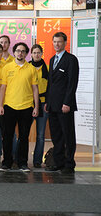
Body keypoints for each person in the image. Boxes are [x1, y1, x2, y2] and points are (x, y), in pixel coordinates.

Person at [0, 42, 39, 172]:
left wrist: (36, 107)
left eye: (23, 51)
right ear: (14, 52)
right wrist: (1, 105)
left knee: (24, 137)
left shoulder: (31, 69)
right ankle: (6, 163)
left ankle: (22, 163)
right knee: (7, 136)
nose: (20, 53)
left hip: (26, 107)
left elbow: (35, 89)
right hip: (9, 106)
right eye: (18, 51)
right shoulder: (7, 67)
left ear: (26, 54)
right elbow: (3, 88)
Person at [45, 32, 79, 174]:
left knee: (68, 134)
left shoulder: (71, 59)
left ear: (65, 43)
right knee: (56, 135)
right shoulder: (52, 59)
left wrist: (67, 102)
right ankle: (58, 162)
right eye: (55, 42)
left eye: (59, 42)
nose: (57, 44)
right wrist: (47, 102)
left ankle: (69, 164)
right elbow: (51, 84)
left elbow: (72, 83)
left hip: (65, 105)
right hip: (53, 105)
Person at [29, 44, 49, 168]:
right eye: (34, 52)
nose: (36, 55)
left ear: (42, 53)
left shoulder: (47, 67)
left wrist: (48, 102)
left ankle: (37, 160)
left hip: (43, 103)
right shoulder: (27, 67)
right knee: (24, 133)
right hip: (29, 103)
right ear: (31, 54)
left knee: (41, 135)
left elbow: (51, 87)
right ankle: (21, 159)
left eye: (38, 52)